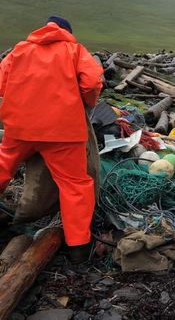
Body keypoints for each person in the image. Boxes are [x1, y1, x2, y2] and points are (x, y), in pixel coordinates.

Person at [0, 16, 103, 263]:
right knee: (75, 185)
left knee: (3, 168)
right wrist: (87, 105)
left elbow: (2, 84)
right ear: (67, 31)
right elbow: (92, 82)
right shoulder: (75, 50)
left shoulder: (20, 49)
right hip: (63, 132)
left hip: (19, 127)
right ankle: (78, 247)